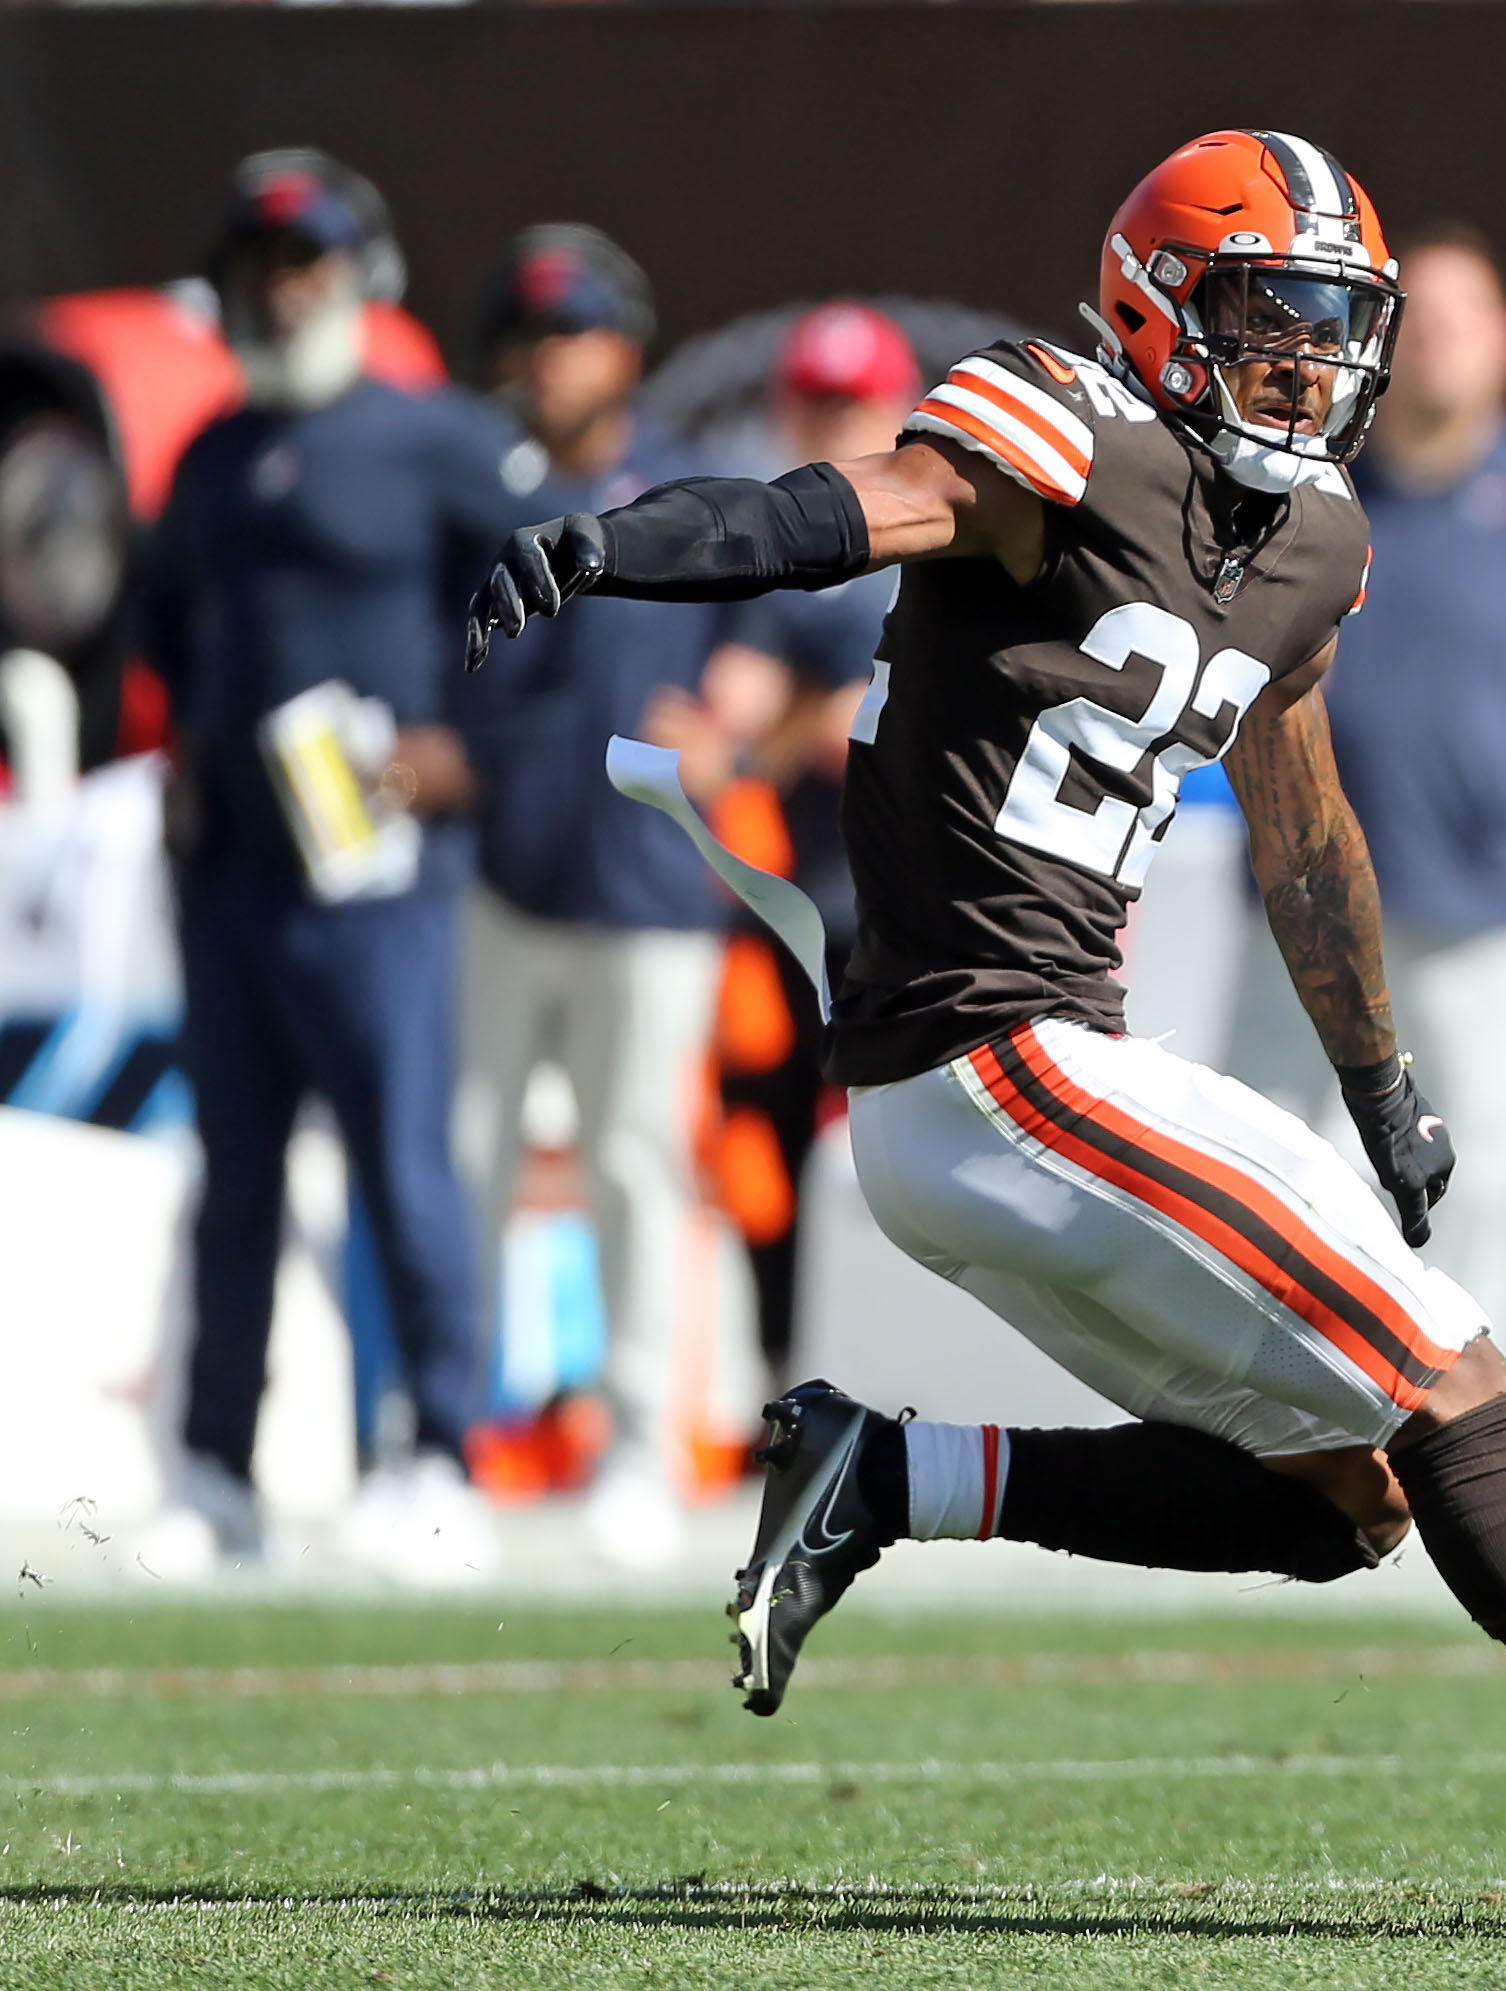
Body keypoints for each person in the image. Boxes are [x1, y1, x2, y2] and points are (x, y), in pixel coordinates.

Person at [465, 129, 1506, 1910]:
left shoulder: (1312, 533)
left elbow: (1304, 824)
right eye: (1268, 320)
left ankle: (888, 1470)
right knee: (1446, 1363)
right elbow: (848, 507)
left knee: (1352, 1498)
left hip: (1016, 1080)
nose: (1309, 366)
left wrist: (1377, 1079)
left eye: (1336, 327)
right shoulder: (1062, 428)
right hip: (991, 1053)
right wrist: (622, 547)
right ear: (1159, 309)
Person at [139, 150, 542, 1584]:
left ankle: (440, 1453)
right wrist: (189, 758)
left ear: (357, 271)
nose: (279, 283)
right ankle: (213, 1466)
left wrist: (464, 749)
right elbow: (168, 633)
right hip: (238, 876)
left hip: (380, 878)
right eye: (259, 260)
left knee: (405, 1166)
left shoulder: (434, 439)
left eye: (302, 257)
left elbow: (546, 616)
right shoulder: (211, 452)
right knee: (235, 1175)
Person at [1221, 220, 1506, 1353]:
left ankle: (1449, 1415)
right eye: (1427, 320)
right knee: (1255, 1147)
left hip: (1466, 900)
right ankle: (1255, 1403)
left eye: (1469, 317)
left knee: (1466, 1169)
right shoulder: (1308, 486)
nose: (1446, 343)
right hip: (1292, 893)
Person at [455, 225, 750, 1569]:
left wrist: (749, 705)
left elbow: (808, 624)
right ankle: (445, 1437)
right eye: (530, 336)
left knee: (636, 1163)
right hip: (504, 881)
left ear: (624, 346)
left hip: (647, 888)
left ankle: (641, 1441)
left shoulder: (688, 483)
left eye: (570, 332)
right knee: (467, 1158)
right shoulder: (479, 488)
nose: (547, 358)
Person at [710, 301, 922, 1391]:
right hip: (795, 898)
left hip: (914, 902)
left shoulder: (941, 533)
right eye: (818, 402)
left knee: (918, 1152)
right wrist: (813, 714)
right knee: (773, 1143)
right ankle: (784, 1369)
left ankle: (911, 1372)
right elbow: (732, 714)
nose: (836, 421)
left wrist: (829, 710)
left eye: (854, 401)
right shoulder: (769, 548)